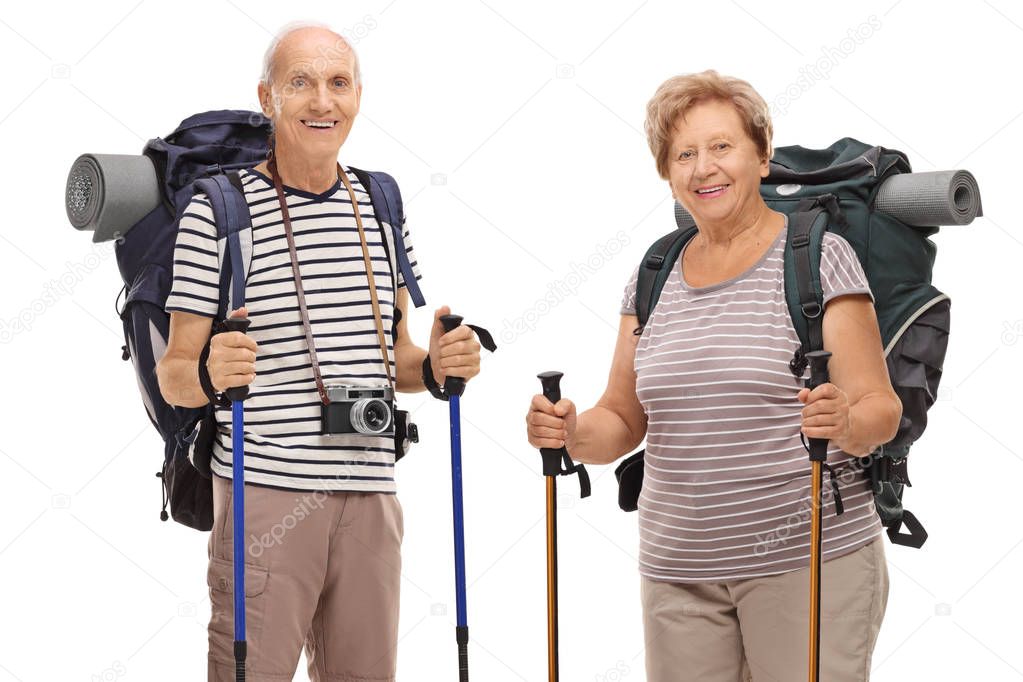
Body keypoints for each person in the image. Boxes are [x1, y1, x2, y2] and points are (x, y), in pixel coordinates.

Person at [525, 70, 900, 681]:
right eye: (684, 154)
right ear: (667, 171)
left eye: (722, 147)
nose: (704, 168)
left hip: (806, 559)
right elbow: (621, 420)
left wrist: (846, 421)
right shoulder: (654, 272)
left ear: (761, 154)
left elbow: (879, 409)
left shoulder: (818, 256)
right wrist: (568, 432)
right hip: (677, 571)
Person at [156, 21, 483, 681]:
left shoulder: (381, 202)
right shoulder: (216, 213)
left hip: (370, 493)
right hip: (265, 494)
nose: (321, 102)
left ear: (359, 94)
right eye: (300, 83)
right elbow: (173, 376)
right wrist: (209, 373)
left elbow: (396, 359)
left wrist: (439, 366)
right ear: (267, 96)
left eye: (338, 83)